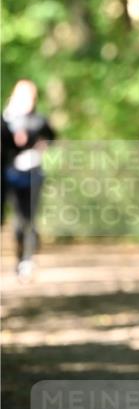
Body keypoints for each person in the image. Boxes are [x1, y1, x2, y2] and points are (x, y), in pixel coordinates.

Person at [1, 80, 54, 280]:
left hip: (33, 173)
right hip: (11, 174)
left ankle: (27, 260)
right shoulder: (6, 119)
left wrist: (38, 149)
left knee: (29, 219)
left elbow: (51, 139)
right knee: (17, 221)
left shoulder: (39, 120)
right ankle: (20, 257)